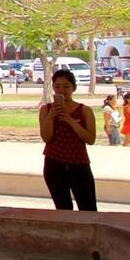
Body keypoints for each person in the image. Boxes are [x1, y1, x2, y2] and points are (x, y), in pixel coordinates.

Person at [38, 70, 98, 211]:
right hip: (54, 164)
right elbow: (47, 138)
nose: (62, 90)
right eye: (57, 86)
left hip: (79, 163)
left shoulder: (85, 111)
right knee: (63, 208)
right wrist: (51, 117)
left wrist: (70, 121)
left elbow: (90, 139)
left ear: (73, 88)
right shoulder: (46, 110)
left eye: (66, 86)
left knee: (88, 207)